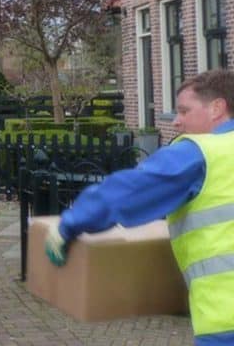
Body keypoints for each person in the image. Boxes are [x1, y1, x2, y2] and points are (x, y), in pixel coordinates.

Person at [44, 69, 234, 345]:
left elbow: (125, 193)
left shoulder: (198, 153)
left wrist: (69, 224)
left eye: (184, 111)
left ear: (217, 108)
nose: (177, 122)